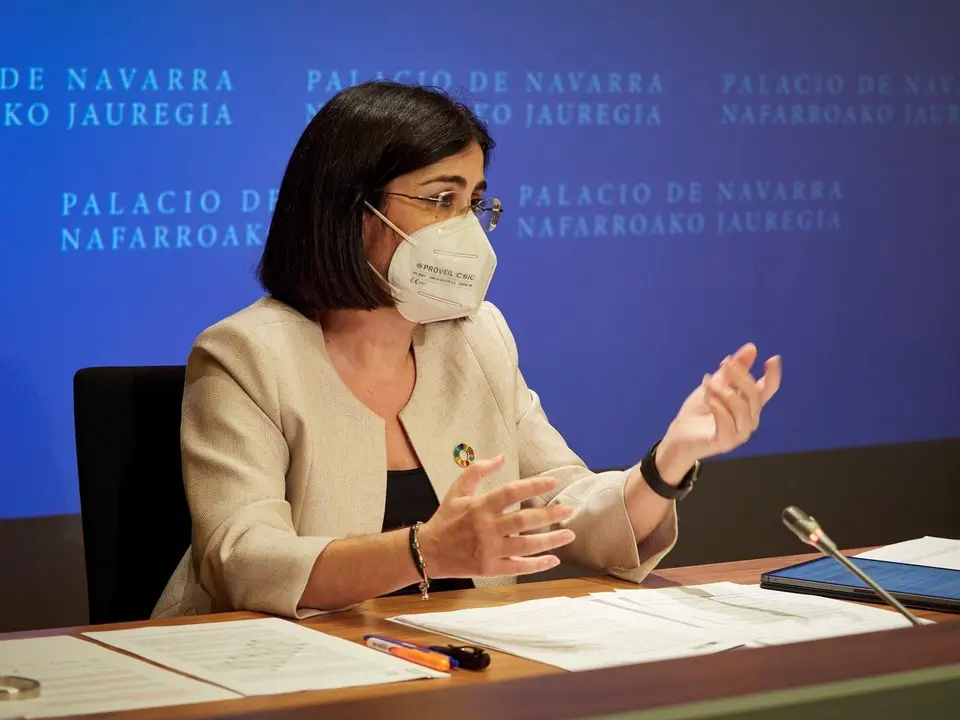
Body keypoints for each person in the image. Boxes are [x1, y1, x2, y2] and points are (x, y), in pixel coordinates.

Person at [153, 81, 782, 620]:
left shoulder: (476, 336)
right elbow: (242, 560)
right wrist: (425, 551)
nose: (464, 227)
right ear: (350, 210)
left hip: (451, 670)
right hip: (275, 675)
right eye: (439, 200)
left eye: (475, 203)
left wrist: (671, 459)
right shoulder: (245, 354)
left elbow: (562, 506)